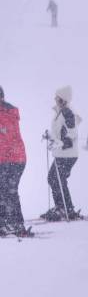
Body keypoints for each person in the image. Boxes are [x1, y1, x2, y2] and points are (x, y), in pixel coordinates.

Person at [41, 86, 81, 221]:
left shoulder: (67, 112)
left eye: (57, 96)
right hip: (62, 154)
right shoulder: (60, 112)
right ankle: (63, 207)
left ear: (62, 98)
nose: (54, 98)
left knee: (55, 179)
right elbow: (60, 132)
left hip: (67, 154)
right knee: (55, 179)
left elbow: (72, 132)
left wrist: (63, 142)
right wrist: (51, 137)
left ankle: (64, 208)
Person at [0, 86, 30, 236]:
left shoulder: (4, 114)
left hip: (8, 159)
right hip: (18, 158)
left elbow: (6, 139)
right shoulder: (10, 111)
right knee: (9, 190)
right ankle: (15, 222)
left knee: (4, 191)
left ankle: (8, 223)